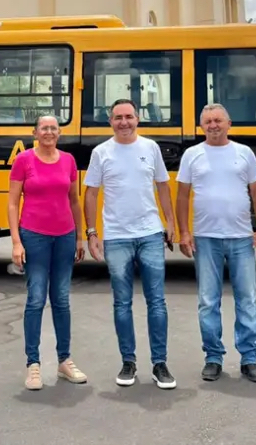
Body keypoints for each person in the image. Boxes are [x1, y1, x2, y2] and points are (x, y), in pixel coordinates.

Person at [83, 99, 178, 389]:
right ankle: (129, 362)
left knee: (157, 302)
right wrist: (91, 233)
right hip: (116, 236)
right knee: (122, 303)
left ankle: (160, 364)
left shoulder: (150, 148)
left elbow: (163, 185)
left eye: (128, 117)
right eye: (117, 118)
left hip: (150, 233)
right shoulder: (101, 153)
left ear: (138, 119)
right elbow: (90, 194)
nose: (123, 122)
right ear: (110, 122)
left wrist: (170, 222)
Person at [176, 103, 256, 383]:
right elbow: (182, 196)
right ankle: (213, 357)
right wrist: (184, 232)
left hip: (241, 237)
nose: (213, 125)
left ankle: (250, 358)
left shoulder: (244, 153)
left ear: (229, 123)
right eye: (208, 121)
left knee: (247, 300)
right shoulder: (192, 155)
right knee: (208, 301)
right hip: (205, 238)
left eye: (218, 120)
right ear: (201, 126)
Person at [7, 115, 87, 390]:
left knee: (62, 300)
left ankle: (65, 361)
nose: (49, 132)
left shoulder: (68, 161)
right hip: (34, 236)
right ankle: (34, 365)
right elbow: (12, 203)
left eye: (53, 128)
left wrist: (79, 237)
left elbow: (74, 201)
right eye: (44, 128)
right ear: (35, 132)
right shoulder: (24, 160)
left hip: (64, 236)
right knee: (36, 298)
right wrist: (16, 242)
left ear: (59, 132)